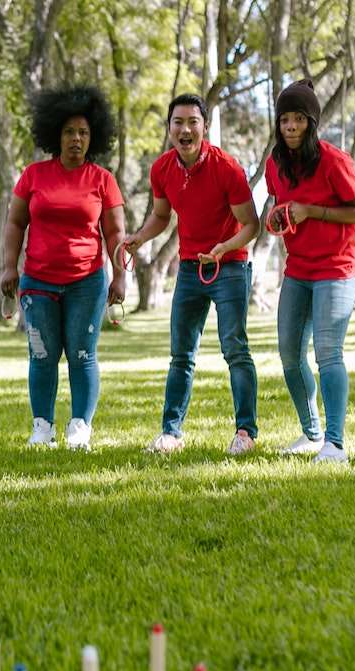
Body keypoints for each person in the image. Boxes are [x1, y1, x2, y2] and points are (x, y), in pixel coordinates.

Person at [123, 93, 261, 456]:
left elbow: (251, 225)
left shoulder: (227, 168)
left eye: (192, 122)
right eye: (178, 122)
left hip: (229, 266)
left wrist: (224, 248)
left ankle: (245, 433)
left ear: (205, 126)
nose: (185, 129)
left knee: (235, 349)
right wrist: (139, 236)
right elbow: (161, 215)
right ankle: (171, 434)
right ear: (169, 128)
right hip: (189, 268)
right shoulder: (162, 169)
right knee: (181, 355)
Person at [0, 85, 128, 451]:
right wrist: (11, 267)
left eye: (84, 133)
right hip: (38, 280)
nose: (76, 139)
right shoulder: (34, 175)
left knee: (82, 354)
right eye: (70, 131)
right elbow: (14, 224)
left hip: (87, 282)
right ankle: (42, 427)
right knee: (42, 354)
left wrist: (120, 276)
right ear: (56, 134)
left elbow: (115, 232)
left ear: (93, 138)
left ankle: (79, 427)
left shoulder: (102, 180)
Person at [265, 79, 355, 464]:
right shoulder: (274, 164)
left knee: (328, 351)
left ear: (311, 122)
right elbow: (278, 207)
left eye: (298, 119)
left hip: (337, 267)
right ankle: (312, 434)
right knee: (290, 354)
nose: (290, 127)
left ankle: (336, 443)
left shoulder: (334, 161)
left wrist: (312, 211)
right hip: (298, 269)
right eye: (284, 120)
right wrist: (277, 220)